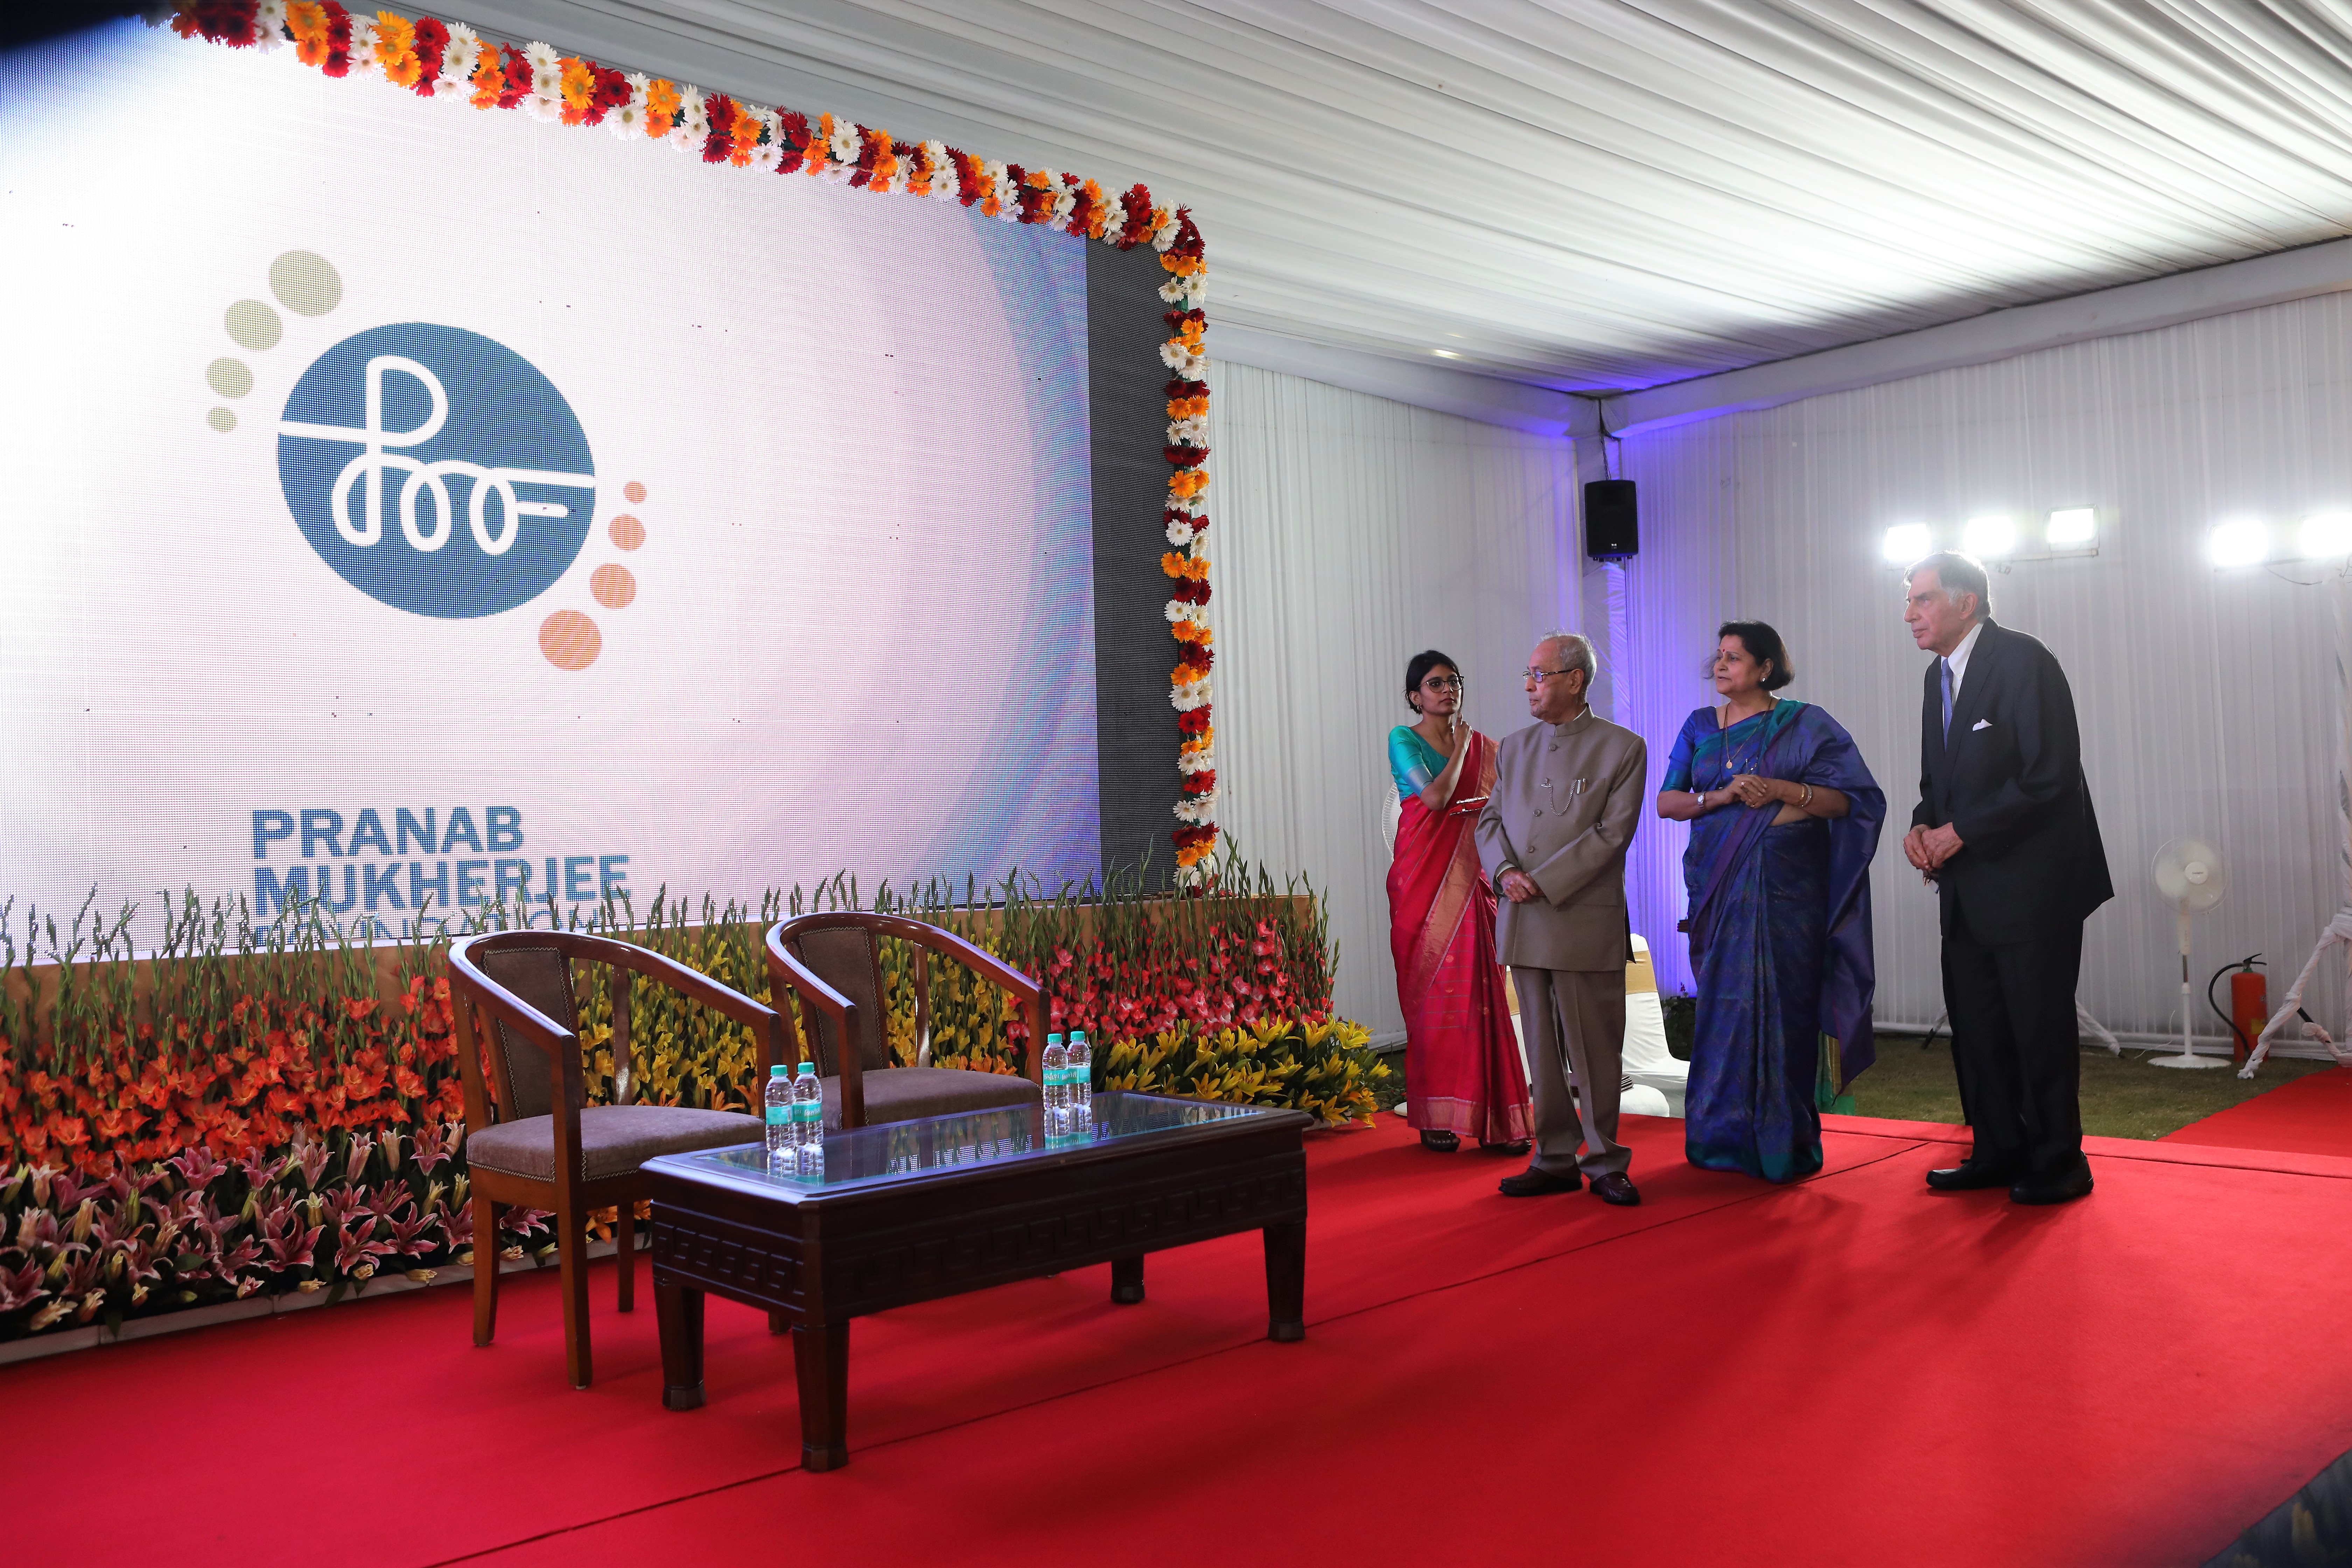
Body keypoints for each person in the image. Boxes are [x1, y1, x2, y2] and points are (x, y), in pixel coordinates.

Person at [1902, 552, 2112, 1205]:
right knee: (1979, 1028)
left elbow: (2049, 776)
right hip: (1967, 891)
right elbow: (1939, 786)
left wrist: (1959, 833)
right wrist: (1920, 827)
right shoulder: (1938, 678)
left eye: (1924, 599)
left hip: (2032, 891)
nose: (1909, 612)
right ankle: (1996, 1150)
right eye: (1908, 601)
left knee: (2037, 1027)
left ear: (1967, 603)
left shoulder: (2025, 660)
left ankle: (2059, 1163)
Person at [1656, 622, 1885, 1183]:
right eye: (1719, 656)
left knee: (1784, 1009)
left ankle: (1784, 1144)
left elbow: (1849, 802)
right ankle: (1721, 1141)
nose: (1721, 665)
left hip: (1788, 891)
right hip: (1719, 884)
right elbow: (1667, 802)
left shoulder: (1805, 724)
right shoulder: (1698, 727)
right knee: (1723, 1007)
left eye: (1734, 657)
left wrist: (1783, 790)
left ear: (1765, 668)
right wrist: (1725, 795)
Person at [1475, 632, 1648, 1205]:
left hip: (1580, 914)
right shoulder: (1516, 747)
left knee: (1595, 1049)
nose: (1529, 685)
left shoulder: (1622, 747)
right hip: (1524, 916)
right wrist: (1503, 872)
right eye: (1526, 674)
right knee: (1543, 1052)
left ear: (1575, 679)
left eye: (1539, 674)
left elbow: (1612, 835)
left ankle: (1604, 1162)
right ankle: (1553, 1157)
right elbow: (1489, 823)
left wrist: (1542, 880)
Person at [1385, 651, 1535, 1154]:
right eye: (1435, 683)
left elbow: (1507, 811)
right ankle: (1436, 1113)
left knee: (1483, 995)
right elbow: (1434, 800)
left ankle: (1495, 1120)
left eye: (1453, 681)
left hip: (1476, 881)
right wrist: (1465, 744)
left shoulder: (1489, 749)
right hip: (1421, 883)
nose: (1448, 690)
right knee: (1435, 1002)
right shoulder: (1405, 739)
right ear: (1415, 697)